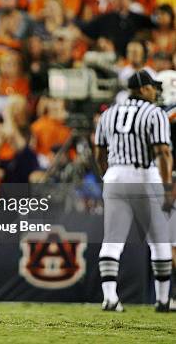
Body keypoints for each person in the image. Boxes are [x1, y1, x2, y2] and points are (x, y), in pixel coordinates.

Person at [94, 70, 173, 312]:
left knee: (112, 239)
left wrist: (108, 174)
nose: (155, 91)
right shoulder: (155, 113)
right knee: (159, 240)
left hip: (115, 175)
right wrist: (167, 185)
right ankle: (162, 300)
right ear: (142, 89)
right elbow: (163, 152)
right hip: (144, 175)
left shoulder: (108, 113)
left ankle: (110, 297)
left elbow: (99, 153)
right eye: (152, 87)